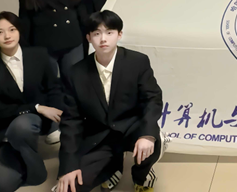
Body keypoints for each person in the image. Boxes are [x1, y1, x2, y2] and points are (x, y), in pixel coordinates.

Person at [57, 11, 163, 192]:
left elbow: (152, 99)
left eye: (109, 32)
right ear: (89, 38)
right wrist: (67, 166)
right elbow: (71, 121)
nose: (103, 39)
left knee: (152, 140)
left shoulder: (137, 62)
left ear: (119, 35)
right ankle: (114, 168)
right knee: (70, 187)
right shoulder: (76, 73)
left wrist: (147, 135)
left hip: (132, 128)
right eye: (97, 33)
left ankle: (141, 176)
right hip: (99, 137)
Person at [0, 11, 63, 192]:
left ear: (19, 31)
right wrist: (36, 107)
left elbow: (54, 88)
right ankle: (15, 153)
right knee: (2, 186)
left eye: (12, 29)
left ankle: (37, 172)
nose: (7, 36)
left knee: (21, 127)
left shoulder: (39, 55)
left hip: (28, 122)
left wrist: (56, 112)